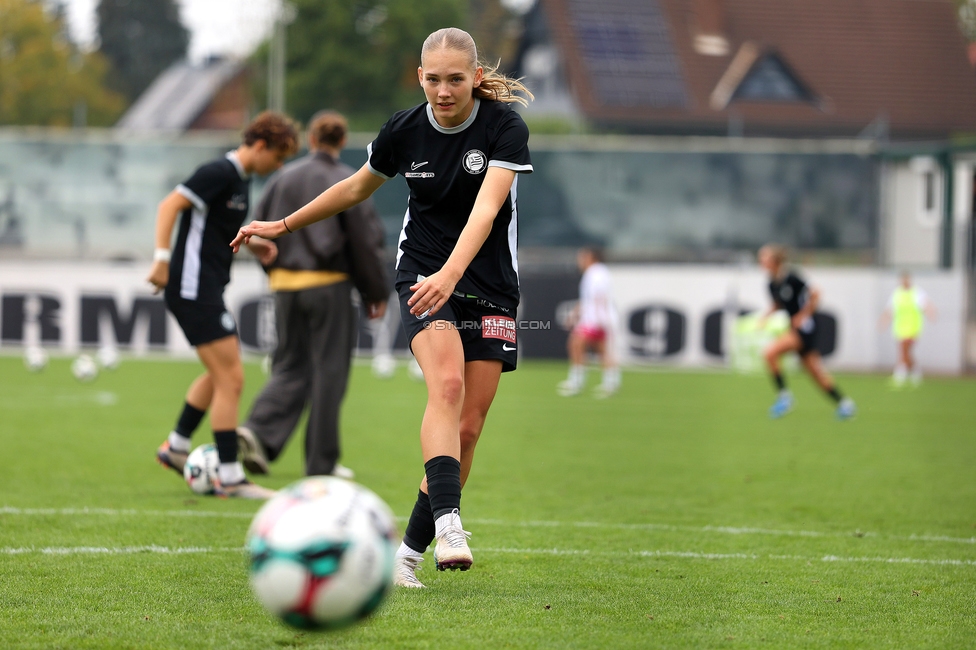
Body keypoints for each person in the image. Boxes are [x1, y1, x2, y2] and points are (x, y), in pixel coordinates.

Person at [231, 27, 533, 587]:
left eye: (456, 80)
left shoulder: (504, 128)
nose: (444, 92)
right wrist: (285, 222)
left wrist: (454, 274)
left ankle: (406, 557)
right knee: (446, 387)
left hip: (488, 284)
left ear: (475, 78)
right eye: (434, 80)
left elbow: (488, 210)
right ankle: (450, 522)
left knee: (469, 426)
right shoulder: (403, 130)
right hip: (422, 274)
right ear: (420, 77)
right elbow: (352, 189)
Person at [150, 111, 299, 499]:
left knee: (221, 374)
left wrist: (256, 241)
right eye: (279, 157)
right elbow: (170, 206)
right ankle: (230, 477)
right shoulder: (218, 171)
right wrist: (162, 259)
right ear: (261, 146)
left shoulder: (238, 181)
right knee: (231, 378)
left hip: (206, 288)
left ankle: (177, 446)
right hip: (191, 287)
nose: (278, 166)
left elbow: (214, 228)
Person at [235, 110, 389, 479]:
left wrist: (275, 271)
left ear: (312, 140)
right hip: (329, 286)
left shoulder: (283, 177)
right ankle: (321, 464)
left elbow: (259, 230)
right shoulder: (346, 180)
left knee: (289, 365)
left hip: (285, 287)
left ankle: (257, 431)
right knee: (329, 373)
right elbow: (364, 241)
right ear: (341, 142)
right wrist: (375, 290)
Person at [757, 244, 856, 420]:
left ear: (775, 260)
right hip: (795, 329)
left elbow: (816, 293)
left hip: (805, 329)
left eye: (764, 257)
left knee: (769, 353)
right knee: (815, 372)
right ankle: (844, 404)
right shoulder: (772, 283)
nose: (761, 261)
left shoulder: (792, 277)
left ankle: (785, 398)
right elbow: (778, 304)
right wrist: (765, 317)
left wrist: (803, 315)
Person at [557, 246, 620, 398]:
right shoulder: (597, 272)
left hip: (595, 319)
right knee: (601, 350)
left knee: (576, 344)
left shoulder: (595, 273)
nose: (580, 261)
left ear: (591, 257)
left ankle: (576, 382)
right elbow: (587, 299)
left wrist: (597, 319)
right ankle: (611, 382)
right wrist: (575, 314)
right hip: (597, 318)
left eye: (582, 257)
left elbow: (599, 297)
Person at [879, 272, 936, 387]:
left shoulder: (916, 293)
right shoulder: (897, 293)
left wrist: (930, 313)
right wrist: (884, 321)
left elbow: (926, 305)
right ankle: (915, 371)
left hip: (912, 327)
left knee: (904, 349)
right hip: (900, 327)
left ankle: (900, 373)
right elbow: (890, 309)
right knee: (905, 351)